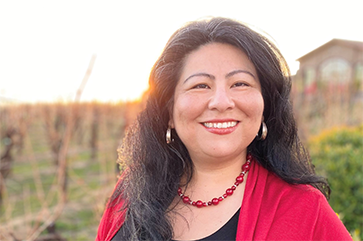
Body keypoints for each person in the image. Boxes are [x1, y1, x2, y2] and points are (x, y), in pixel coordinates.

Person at [96, 17, 352, 241]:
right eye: (200, 85)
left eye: (240, 83)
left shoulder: (304, 209)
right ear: (169, 112)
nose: (221, 102)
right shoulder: (131, 190)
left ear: (265, 106)